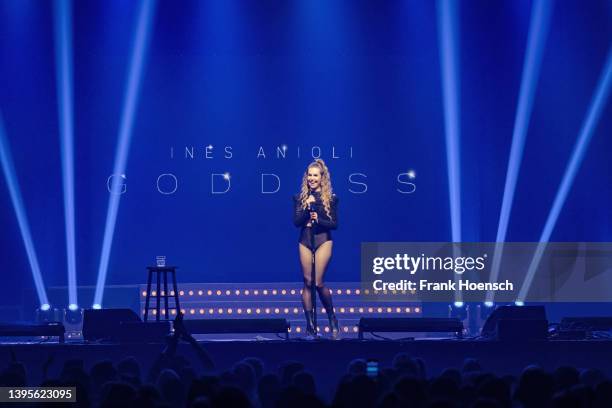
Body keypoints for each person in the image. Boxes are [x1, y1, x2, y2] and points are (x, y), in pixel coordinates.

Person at [293, 159, 339, 339]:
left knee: (318, 283)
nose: (312, 178)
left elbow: (334, 224)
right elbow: (296, 223)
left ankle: (331, 317)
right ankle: (310, 325)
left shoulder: (331, 199)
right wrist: (306, 209)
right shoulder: (300, 198)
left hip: (323, 240)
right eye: (309, 175)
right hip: (305, 240)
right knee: (307, 282)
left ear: (322, 178)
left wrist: (317, 218)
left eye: (315, 175)